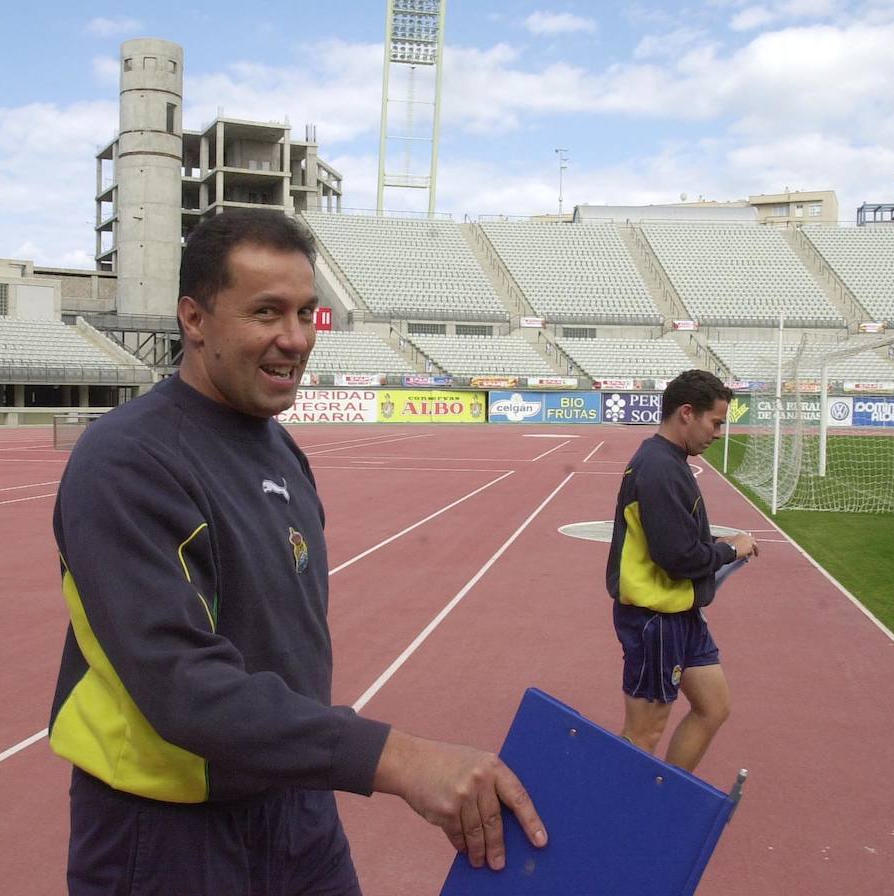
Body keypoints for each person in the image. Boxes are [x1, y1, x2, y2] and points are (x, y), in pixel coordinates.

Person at [49, 208, 546, 895]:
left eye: (306, 313)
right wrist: (398, 760)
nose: (293, 338)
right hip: (170, 837)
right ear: (194, 319)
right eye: (265, 312)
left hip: (297, 814)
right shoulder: (128, 461)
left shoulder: (281, 450)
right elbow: (185, 689)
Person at [604, 369, 758, 773]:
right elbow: (678, 557)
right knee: (644, 733)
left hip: (681, 612)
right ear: (687, 413)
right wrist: (729, 549)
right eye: (717, 421)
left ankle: (663, 802)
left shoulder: (671, 462)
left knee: (713, 706)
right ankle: (613, 819)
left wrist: (718, 547)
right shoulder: (658, 467)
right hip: (656, 617)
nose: (719, 433)